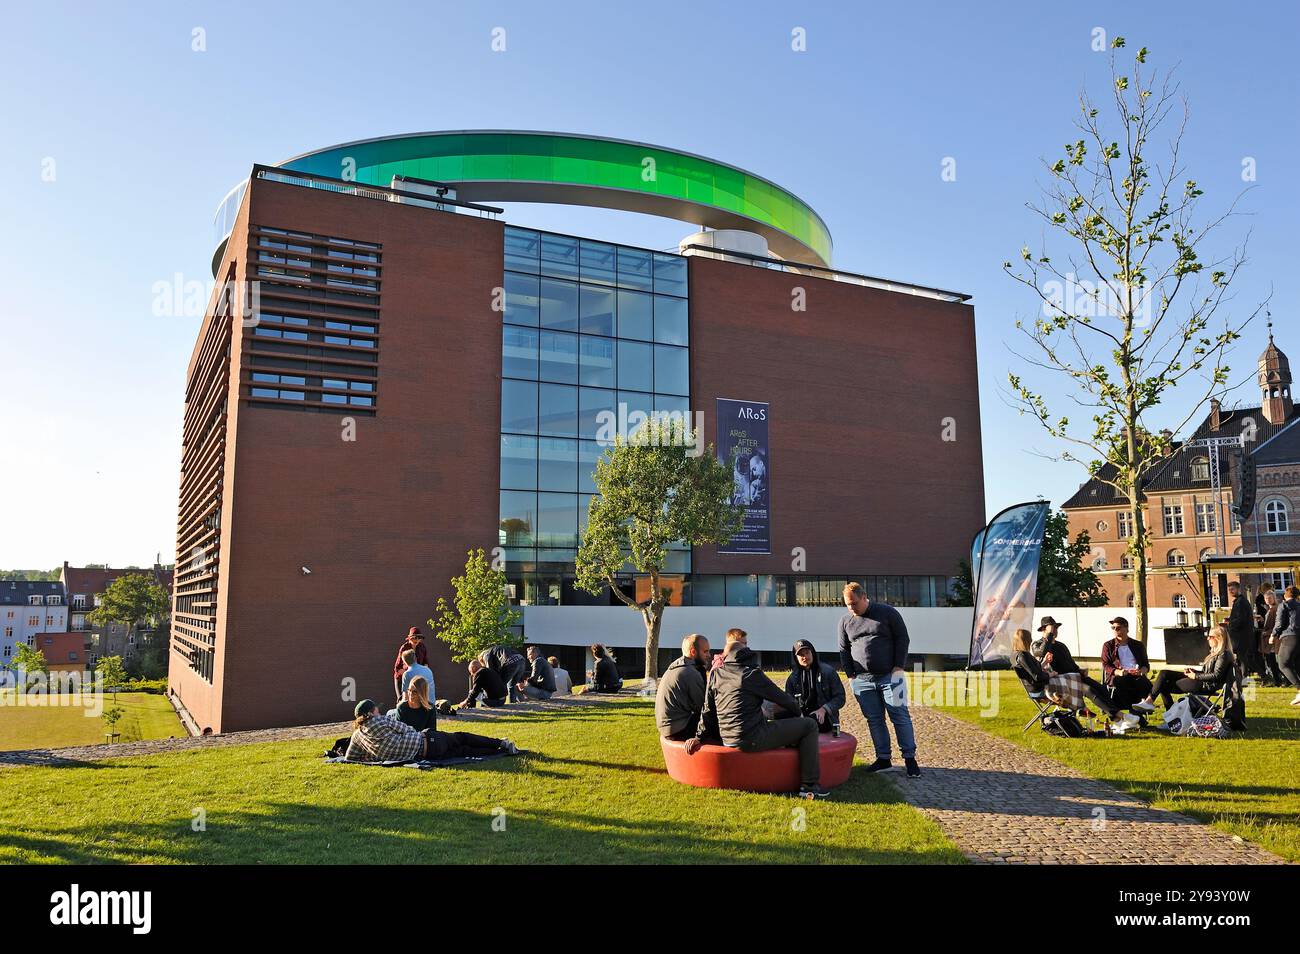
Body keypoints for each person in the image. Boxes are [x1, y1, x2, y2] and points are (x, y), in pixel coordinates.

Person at [684, 630, 828, 799]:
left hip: (728, 737)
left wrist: (699, 737)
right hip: (752, 737)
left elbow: (708, 710)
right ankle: (809, 786)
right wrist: (799, 713)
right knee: (809, 726)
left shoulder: (716, 674)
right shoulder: (750, 674)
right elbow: (783, 699)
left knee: (783, 725)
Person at [839, 582, 920, 777]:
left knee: (900, 717)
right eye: (848, 605)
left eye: (854, 603)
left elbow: (903, 638)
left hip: (891, 677)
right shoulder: (845, 621)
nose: (851, 608)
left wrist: (899, 667)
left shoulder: (887, 613)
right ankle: (883, 758)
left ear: (864, 597)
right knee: (874, 720)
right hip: (862, 681)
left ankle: (910, 759)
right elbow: (843, 649)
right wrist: (850, 675)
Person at [1012, 629, 1131, 724]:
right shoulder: (1023, 655)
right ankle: (1084, 708)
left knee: (1083, 683)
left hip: (1042, 684)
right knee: (1081, 684)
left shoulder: (1018, 655)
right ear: (1026, 640)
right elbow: (1037, 676)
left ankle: (1092, 710)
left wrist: (1044, 663)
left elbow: (1034, 671)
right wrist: (1050, 674)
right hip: (1042, 688)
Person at [345, 699, 517, 763]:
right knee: (463, 737)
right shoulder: (382, 720)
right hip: (427, 739)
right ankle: (501, 743)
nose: (379, 712)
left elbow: (350, 758)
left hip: (428, 755)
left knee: (464, 752)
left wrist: (373, 754)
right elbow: (408, 729)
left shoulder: (357, 736)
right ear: (370, 713)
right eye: (376, 710)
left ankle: (500, 750)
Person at [1132, 625, 1235, 713]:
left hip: (1205, 684)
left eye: (1210, 637)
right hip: (1201, 680)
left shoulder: (1224, 655)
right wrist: (1194, 672)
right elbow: (1210, 672)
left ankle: (1168, 715)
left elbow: (1216, 676)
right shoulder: (1217, 654)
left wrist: (1195, 675)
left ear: (1219, 638)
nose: (1207, 639)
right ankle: (1150, 702)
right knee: (1164, 673)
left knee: (1163, 685)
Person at [781, 639, 846, 733]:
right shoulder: (792, 678)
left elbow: (840, 697)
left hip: (823, 717)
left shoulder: (828, 672)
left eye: (807, 653)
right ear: (796, 658)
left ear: (813, 653)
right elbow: (788, 701)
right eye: (801, 655)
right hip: (801, 716)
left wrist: (824, 709)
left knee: (808, 723)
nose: (805, 657)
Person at [655, 634, 710, 740]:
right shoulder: (690, 673)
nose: (709, 655)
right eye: (705, 651)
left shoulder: (674, 667)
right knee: (715, 720)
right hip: (678, 729)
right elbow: (703, 707)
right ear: (693, 652)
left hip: (666, 727)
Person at [1100, 616, 1152, 711]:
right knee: (1120, 681)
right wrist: (1117, 672)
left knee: (1147, 684)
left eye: (1118, 628)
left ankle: (1141, 708)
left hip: (1136, 674)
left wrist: (1142, 670)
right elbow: (1105, 664)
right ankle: (1135, 713)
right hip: (1119, 675)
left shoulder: (1138, 645)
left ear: (1126, 629)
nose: (1115, 630)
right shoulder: (1108, 645)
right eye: (1113, 628)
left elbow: (1146, 665)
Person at [1272, 584, 1300, 705]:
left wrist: (1273, 635)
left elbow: (1279, 623)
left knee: (1282, 664)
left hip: (1289, 636)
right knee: (1297, 665)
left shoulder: (1283, 605)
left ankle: (1299, 689)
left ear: (1285, 595)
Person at [1226, 581, 1260, 678]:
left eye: (1232, 589)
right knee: (1244, 658)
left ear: (1238, 589)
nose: (1230, 591)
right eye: (1229, 590)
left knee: (1244, 658)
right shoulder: (1239, 601)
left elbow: (1241, 619)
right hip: (1242, 634)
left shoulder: (1240, 602)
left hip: (1242, 635)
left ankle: (1248, 677)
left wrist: (1230, 625)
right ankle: (1247, 676)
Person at [392, 626, 428, 701]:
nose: (417, 640)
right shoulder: (404, 648)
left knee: (417, 700)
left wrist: (422, 671)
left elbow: (425, 663)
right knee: (402, 700)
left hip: (416, 678)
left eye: (419, 638)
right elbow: (397, 668)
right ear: (409, 638)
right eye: (414, 638)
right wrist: (409, 672)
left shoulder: (422, 647)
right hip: (402, 678)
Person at [1259, 588, 1284, 687]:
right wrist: (1262, 620)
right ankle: (1277, 680)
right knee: (1271, 661)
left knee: (1273, 662)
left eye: (1269, 598)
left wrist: (1266, 633)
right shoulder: (1270, 609)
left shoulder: (1275, 609)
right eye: (1266, 598)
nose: (1268, 600)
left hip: (1273, 639)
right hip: (1270, 638)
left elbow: (1277, 625)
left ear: (1274, 598)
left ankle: (1279, 681)